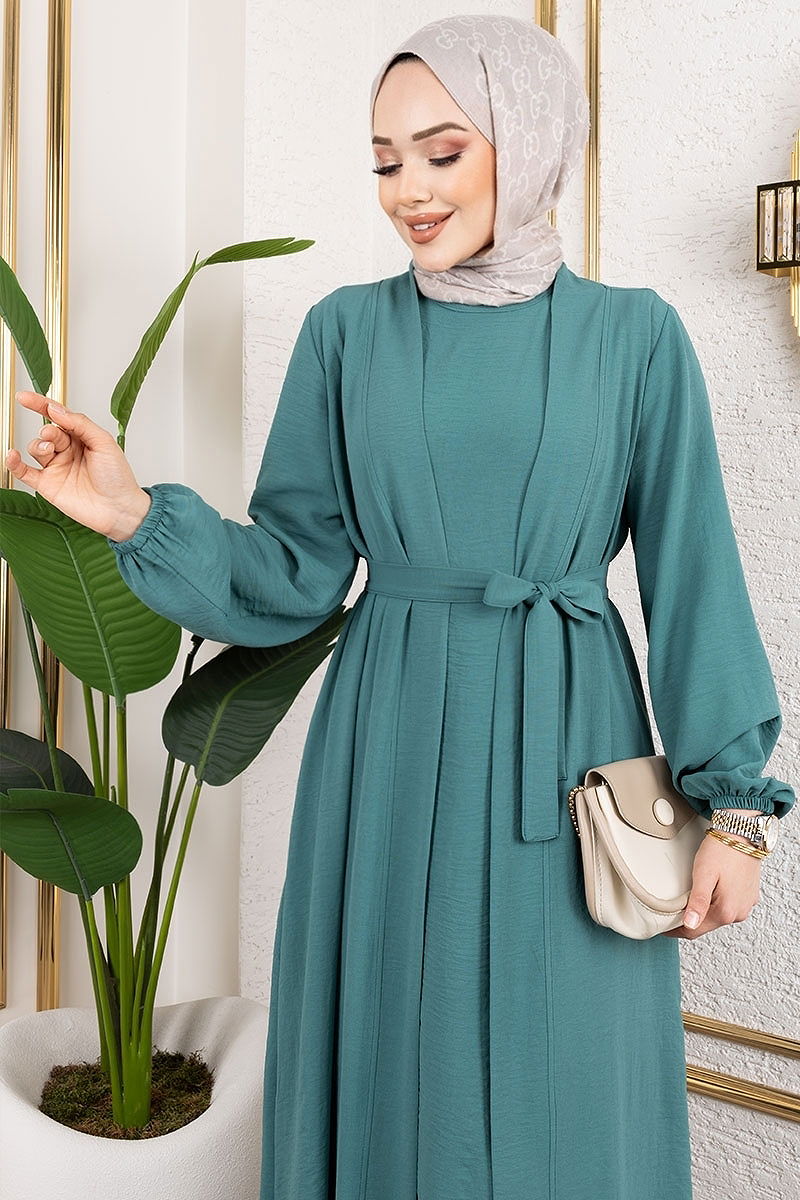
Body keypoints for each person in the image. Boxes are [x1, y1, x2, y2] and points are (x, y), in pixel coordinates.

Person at [5, 14, 794, 1200]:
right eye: (384, 161)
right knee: (396, 1040)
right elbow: (291, 573)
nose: (407, 192)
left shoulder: (634, 338)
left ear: (530, 143)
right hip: (391, 740)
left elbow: (694, 573)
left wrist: (733, 810)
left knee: (564, 1067)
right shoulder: (345, 333)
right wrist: (127, 513)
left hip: (571, 740)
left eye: (441, 152)